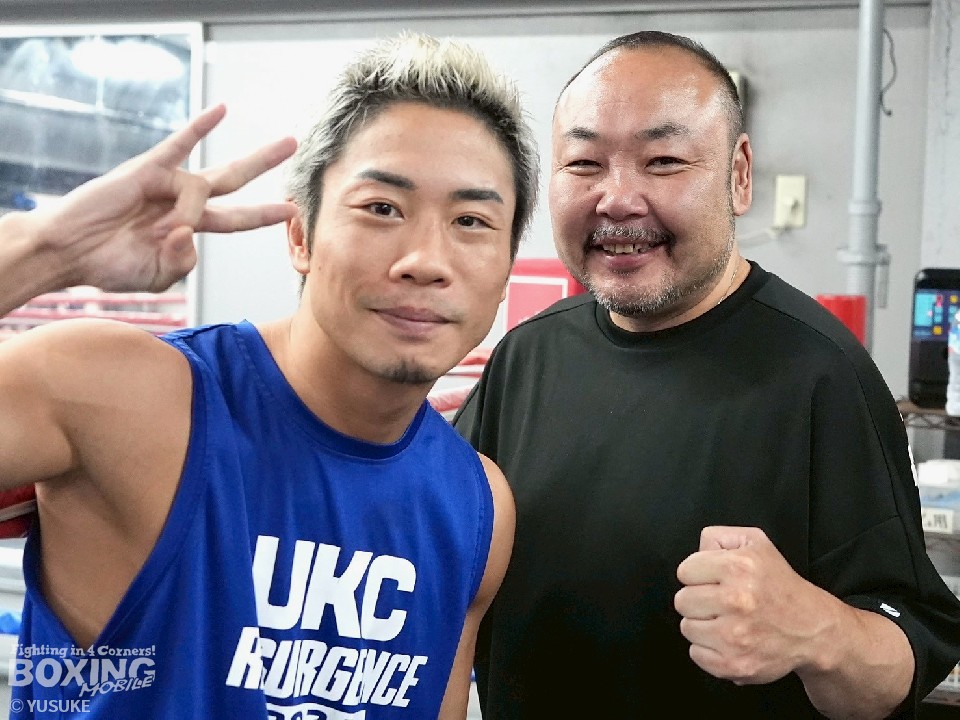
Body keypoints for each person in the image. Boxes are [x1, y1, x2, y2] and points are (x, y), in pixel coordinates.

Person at [0, 32, 539, 719]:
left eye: (471, 220)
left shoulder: (477, 505)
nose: (425, 261)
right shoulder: (123, 394)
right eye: (382, 208)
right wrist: (41, 250)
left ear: (505, 270)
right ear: (300, 235)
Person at [454, 30, 960, 719]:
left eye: (663, 161)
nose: (617, 199)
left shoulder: (822, 373)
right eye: (584, 163)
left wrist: (818, 631)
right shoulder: (526, 357)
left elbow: (907, 663)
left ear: (738, 175)